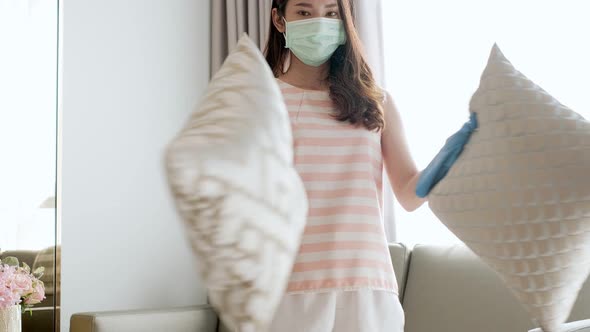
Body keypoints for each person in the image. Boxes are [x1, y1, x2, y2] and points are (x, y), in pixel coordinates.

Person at [263, 0, 475, 330]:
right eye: (304, 12)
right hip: (290, 286)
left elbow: (408, 193)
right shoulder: (261, 100)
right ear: (279, 19)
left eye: (331, 13)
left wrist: (452, 152)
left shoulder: (376, 103)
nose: (319, 23)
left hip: (367, 283)